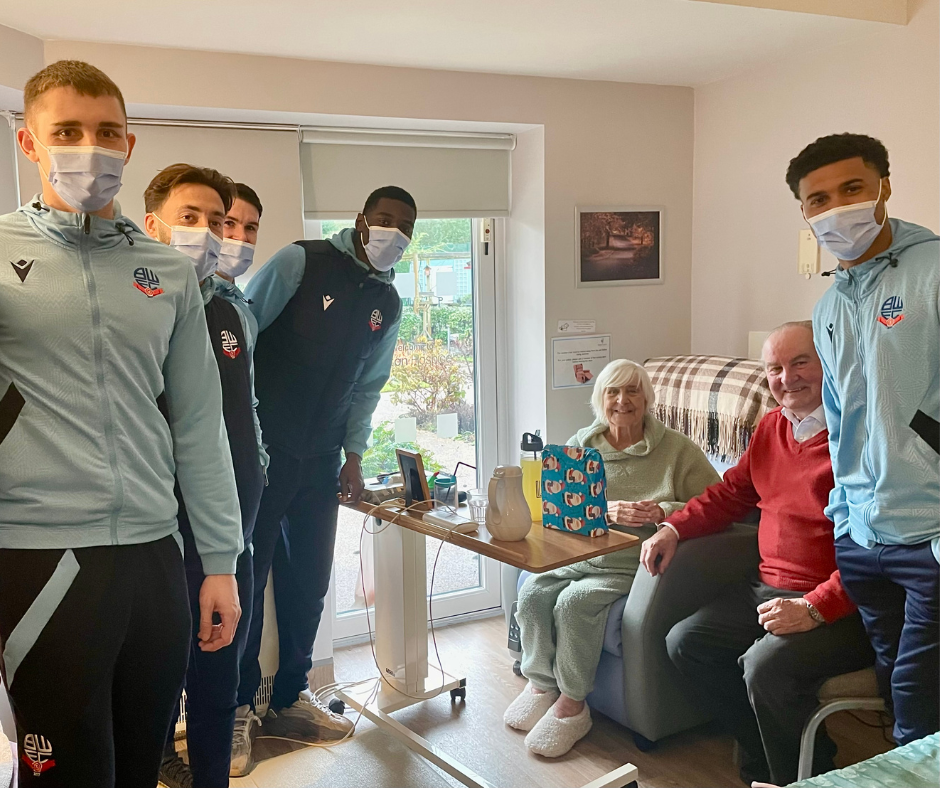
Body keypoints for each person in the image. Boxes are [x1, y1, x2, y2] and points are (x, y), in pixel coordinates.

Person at [0, 61, 242, 788]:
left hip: (154, 560)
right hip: (38, 558)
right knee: (65, 776)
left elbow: (200, 424)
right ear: (29, 143)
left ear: (130, 146)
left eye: (107, 132)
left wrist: (221, 562)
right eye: (67, 131)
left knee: (140, 765)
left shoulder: (166, 273)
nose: (90, 148)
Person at [645, 322, 875, 786]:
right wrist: (673, 527)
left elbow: (875, 548)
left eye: (800, 363)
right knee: (686, 643)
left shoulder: (860, 438)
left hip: (844, 606)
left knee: (762, 668)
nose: (786, 379)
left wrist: (814, 607)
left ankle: (795, 777)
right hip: (767, 589)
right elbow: (732, 494)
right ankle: (777, 759)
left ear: (828, 361)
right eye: (774, 369)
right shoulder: (772, 427)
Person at [233, 185, 413, 770]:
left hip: (320, 461)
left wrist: (353, 457)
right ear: (361, 220)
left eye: (404, 228)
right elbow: (240, 338)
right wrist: (238, 437)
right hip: (263, 453)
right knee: (245, 580)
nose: (394, 233)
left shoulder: (388, 300)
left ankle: (288, 699)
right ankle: (235, 712)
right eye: (385, 220)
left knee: (308, 582)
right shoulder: (300, 261)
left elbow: (369, 387)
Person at [787, 133, 940, 746]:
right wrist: (844, 521)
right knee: (892, 689)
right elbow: (840, 418)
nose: (835, 208)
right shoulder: (827, 307)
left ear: (884, 188)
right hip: (862, 541)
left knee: (917, 701)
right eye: (817, 199)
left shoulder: (931, 271)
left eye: (852, 188)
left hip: (928, 537)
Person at [504, 359, 719, 758]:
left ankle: (572, 704)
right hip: (581, 552)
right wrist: (607, 509)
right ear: (600, 400)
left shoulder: (676, 450)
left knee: (574, 604)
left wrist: (661, 511)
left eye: (632, 391)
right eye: (612, 392)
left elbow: (715, 501)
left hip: (630, 561)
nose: (623, 401)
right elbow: (558, 506)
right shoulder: (583, 444)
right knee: (533, 592)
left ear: (647, 398)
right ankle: (540, 683)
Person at [143, 164, 267, 788]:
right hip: (160, 533)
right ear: (153, 225)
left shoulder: (230, 312)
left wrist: (260, 470)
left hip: (231, 529)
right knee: (157, 679)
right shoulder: (138, 311)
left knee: (220, 678)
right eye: (188, 219)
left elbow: (242, 413)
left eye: (215, 222)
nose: (210, 234)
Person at [218, 182, 262, 282]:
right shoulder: (187, 294)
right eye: (229, 223)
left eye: (250, 228)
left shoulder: (233, 295)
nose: (242, 237)